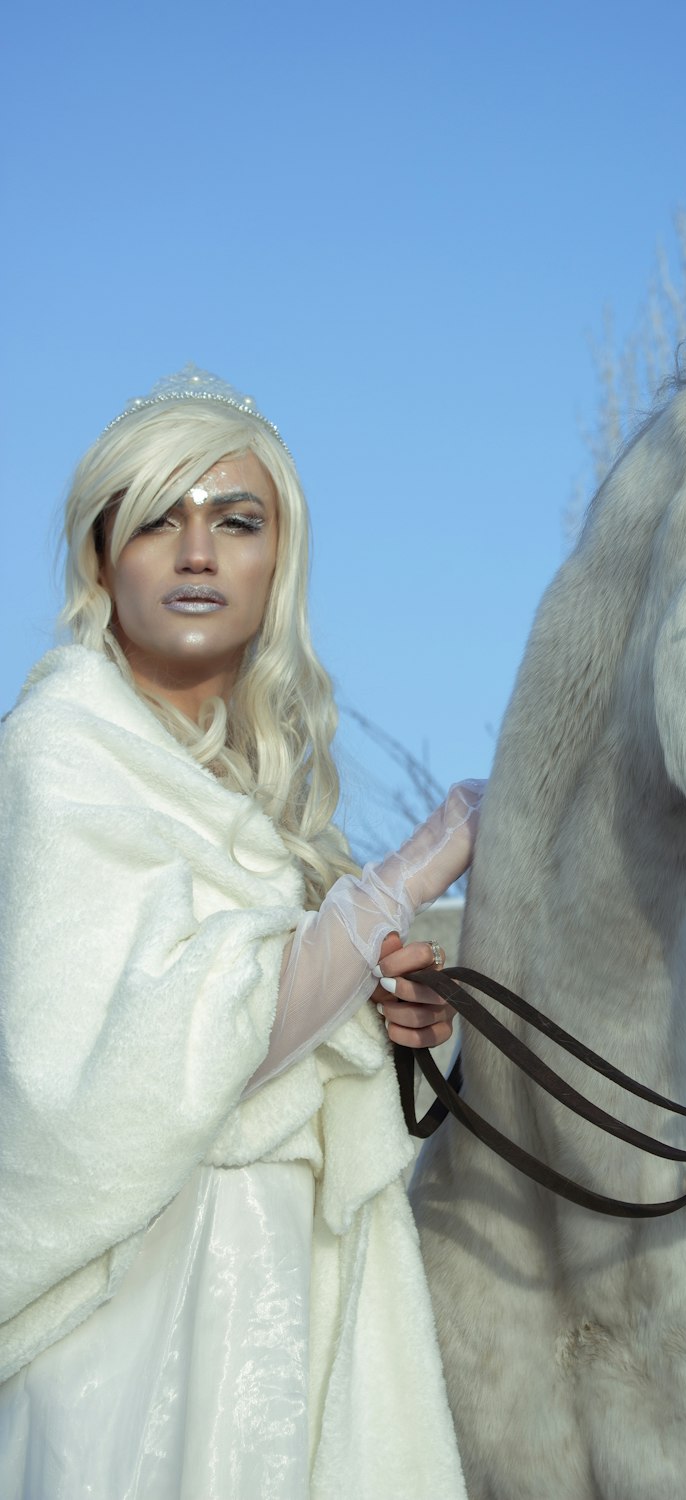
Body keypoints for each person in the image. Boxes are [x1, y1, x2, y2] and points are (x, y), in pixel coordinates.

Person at [0, 366, 481, 1499]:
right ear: (100, 557)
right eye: (158, 518)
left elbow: (269, 1038)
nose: (198, 552)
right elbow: (139, 1076)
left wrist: (392, 1029)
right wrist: (421, 862)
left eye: (237, 520)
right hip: (139, 1322)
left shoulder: (254, 807)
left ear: (281, 561)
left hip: (290, 1302)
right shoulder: (57, 754)